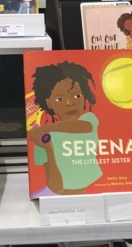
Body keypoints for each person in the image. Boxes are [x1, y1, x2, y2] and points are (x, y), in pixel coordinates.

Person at [28, 61, 103, 195]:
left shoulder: (89, 120)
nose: (70, 103)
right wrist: (48, 148)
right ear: (49, 103)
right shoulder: (43, 140)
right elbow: (55, 187)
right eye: (60, 99)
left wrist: (44, 130)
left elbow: (81, 127)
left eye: (77, 96)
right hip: (54, 197)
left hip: (93, 194)